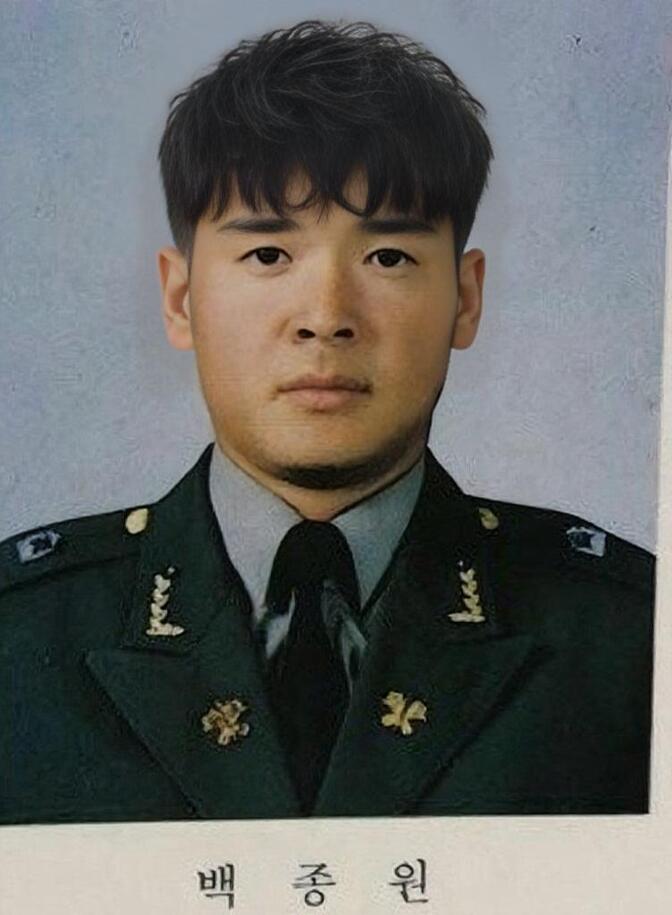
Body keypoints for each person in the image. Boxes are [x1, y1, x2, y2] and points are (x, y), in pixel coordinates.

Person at [0, 20, 654, 825]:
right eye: (268, 254)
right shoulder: (18, 636)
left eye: (388, 257)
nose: (326, 315)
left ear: (465, 297)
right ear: (180, 298)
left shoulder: (631, 640)